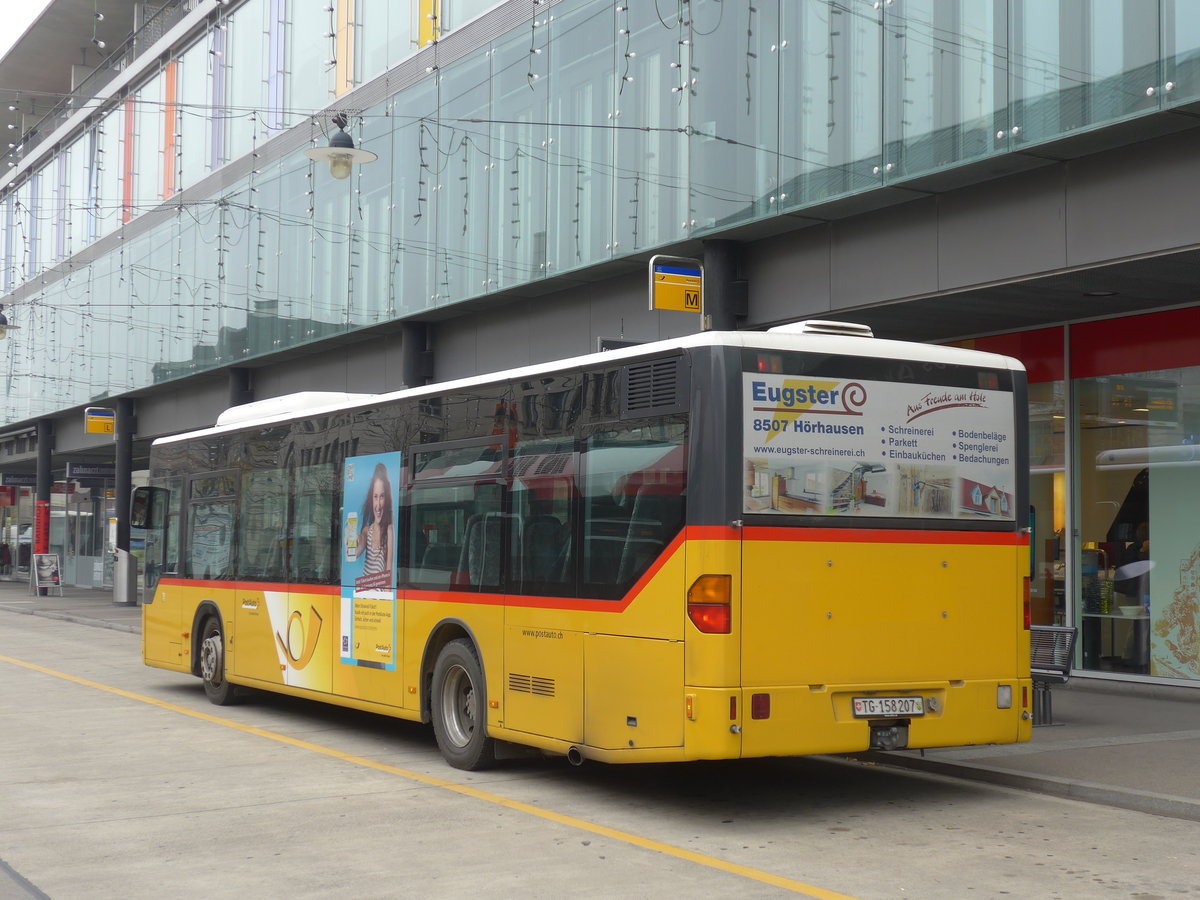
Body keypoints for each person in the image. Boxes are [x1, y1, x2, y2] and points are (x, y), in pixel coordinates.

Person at [356, 463, 394, 578]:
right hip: (362, 595)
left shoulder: (389, 530)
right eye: (375, 496)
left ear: (386, 499)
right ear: (371, 499)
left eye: (382, 496)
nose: (378, 505)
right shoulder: (367, 531)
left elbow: (389, 574)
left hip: (380, 596)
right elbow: (356, 552)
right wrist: (351, 543)